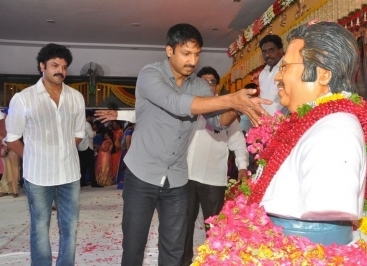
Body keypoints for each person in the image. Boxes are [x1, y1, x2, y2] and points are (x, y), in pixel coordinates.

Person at [95, 23, 270, 266]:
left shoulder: (199, 85)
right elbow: (176, 103)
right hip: (142, 175)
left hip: (177, 179)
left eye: (196, 54)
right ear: (169, 51)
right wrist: (229, 98)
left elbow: (218, 122)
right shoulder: (150, 74)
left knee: (174, 249)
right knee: (134, 247)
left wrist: (235, 106)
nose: (192, 60)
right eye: (186, 53)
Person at [256, 21, 367, 244]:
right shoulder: (309, 122)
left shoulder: (335, 131)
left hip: (304, 250)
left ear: (323, 74)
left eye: (285, 67)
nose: (278, 77)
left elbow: (327, 206)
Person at [5, 43, 86, 266]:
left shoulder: (75, 97)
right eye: (54, 65)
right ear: (42, 66)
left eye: (64, 66)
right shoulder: (23, 98)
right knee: (40, 227)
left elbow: (79, 134)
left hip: (69, 175)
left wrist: (63, 151)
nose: (60, 70)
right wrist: (34, 156)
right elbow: (12, 138)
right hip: (38, 176)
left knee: (70, 226)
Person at [182, 66, 249, 266]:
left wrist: (242, 167)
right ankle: (184, 262)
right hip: (186, 177)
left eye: (211, 81)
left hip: (213, 180)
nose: (207, 85)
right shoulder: (189, 108)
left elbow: (238, 143)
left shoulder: (227, 112)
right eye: (203, 82)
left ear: (217, 86)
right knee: (184, 226)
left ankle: (214, 262)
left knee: (215, 228)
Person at [258, 34, 284, 116]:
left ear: (281, 50)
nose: (267, 55)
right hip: (265, 122)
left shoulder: (287, 68)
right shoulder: (262, 74)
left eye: (271, 50)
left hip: (283, 121)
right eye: (264, 51)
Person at [78, 110, 103, 188]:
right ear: (88, 117)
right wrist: (95, 132)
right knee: (91, 166)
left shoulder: (78, 123)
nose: (92, 119)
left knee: (82, 166)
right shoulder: (87, 124)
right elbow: (91, 135)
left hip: (80, 147)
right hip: (87, 147)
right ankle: (93, 182)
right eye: (91, 117)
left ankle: (82, 182)